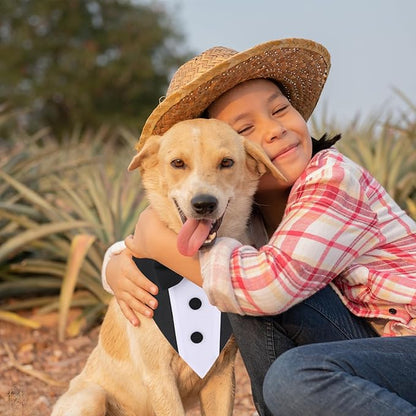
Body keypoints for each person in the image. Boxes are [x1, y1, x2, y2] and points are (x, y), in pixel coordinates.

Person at [101, 38, 416, 416]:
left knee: (292, 371)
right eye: (245, 127)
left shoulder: (332, 179)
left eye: (280, 110)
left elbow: (264, 286)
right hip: (366, 350)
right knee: (245, 292)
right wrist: (116, 262)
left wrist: (154, 241)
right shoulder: (241, 207)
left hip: (405, 344)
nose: (274, 130)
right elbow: (220, 263)